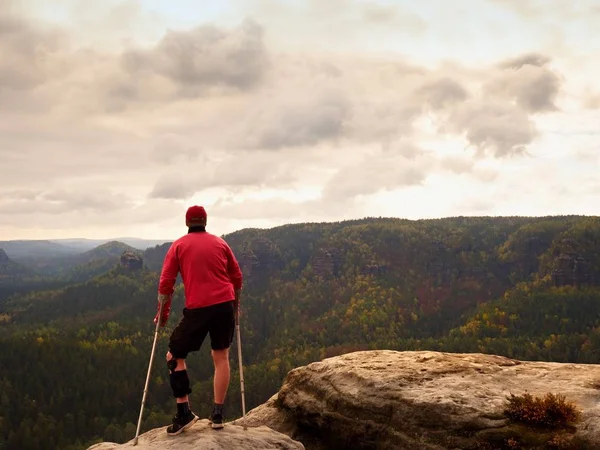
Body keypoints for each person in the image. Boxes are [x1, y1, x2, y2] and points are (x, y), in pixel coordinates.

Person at [154, 205, 243, 436]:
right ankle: (218, 414)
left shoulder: (179, 246)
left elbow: (166, 284)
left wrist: (162, 315)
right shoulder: (220, 243)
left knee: (174, 355)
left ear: (187, 223)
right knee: (220, 355)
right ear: (205, 221)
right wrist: (235, 307)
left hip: (199, 308)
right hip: (224, 304)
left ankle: (184, 413)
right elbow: (237, 276)